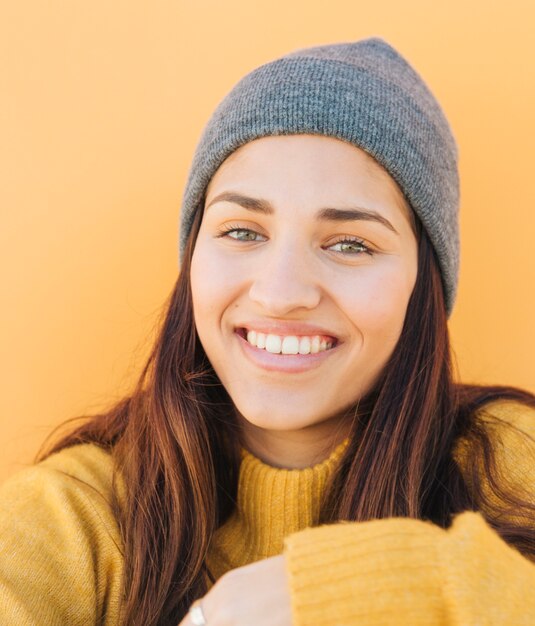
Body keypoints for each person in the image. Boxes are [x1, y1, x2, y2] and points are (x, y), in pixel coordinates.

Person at [1, 36, 534, 626]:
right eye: (243, 231)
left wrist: (398, 585)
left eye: (351, 244)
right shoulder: (75, 514)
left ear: (421, 284)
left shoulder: (510, 465)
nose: (280, 295)